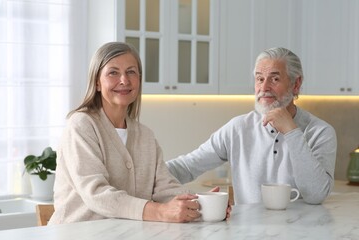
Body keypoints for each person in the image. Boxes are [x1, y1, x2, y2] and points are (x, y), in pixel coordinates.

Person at [49, 42, 201, 224]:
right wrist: (160, 212)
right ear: (97, 82)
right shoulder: (81, 125)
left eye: (131, 72)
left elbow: (164, 188)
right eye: (113, 72)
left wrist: (201, 203)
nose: (124, 80)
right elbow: (97, 194)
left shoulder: (145, 136)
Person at [166, 47, 337, 205]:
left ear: (296, 84)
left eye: (275, 79)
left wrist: (292, 132)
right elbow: (187, 167)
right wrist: (144, 174)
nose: (264, 87)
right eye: (259, 79)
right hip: (248, 232)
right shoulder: (237, 128)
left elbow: (316, 195)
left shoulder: (321, 132)